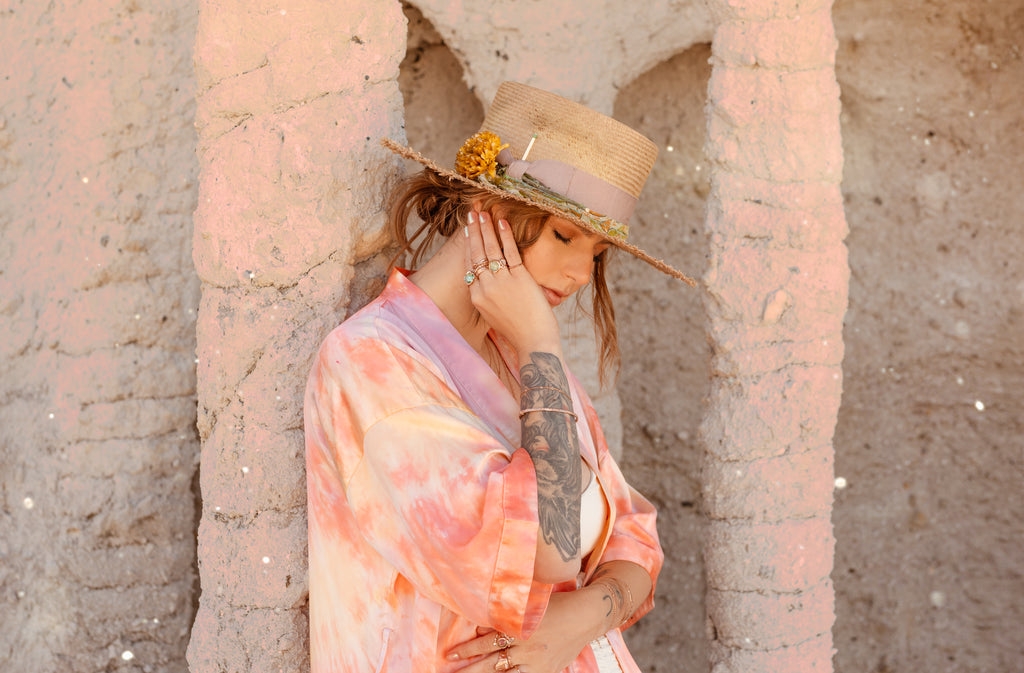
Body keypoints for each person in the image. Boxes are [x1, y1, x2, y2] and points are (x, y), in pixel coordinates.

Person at [304, 82, 695, 673]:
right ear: (486, 209)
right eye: (565, 235)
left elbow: (636, 538)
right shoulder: (372, 362)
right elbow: (556, 546)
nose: (582, 273)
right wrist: (542, 342)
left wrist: (586, 616)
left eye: (595, 252)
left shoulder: (522, 363)